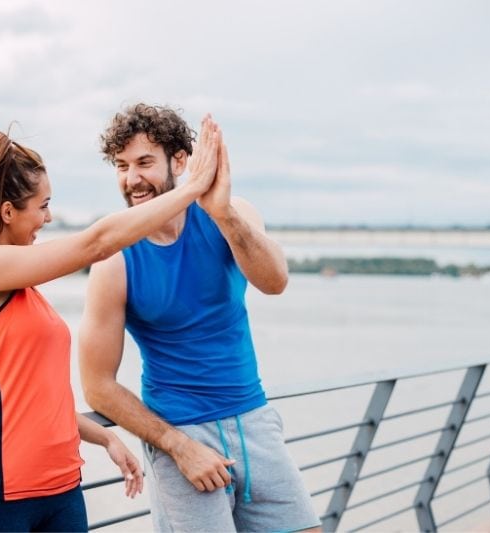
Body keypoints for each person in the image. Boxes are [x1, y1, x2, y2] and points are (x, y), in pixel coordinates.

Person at [0, 117, 221, 532]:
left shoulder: (24, 291)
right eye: (43, 205)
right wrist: (193, 189)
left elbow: (33, 400)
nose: (48, 218)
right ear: (7, 211)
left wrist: (104, 436)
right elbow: (96, 243)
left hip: (61, 491)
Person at [78, 103, 321, 532]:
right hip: (180, 434)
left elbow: (274, 281)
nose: (132, 179)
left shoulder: (233, 213)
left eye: (144, 163)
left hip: (255, 421)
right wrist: (177, 446)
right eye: (121, 166)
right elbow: (97, 386)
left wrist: (223, 213)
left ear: (180, 161)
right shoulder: (114, 259)